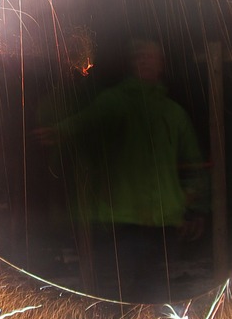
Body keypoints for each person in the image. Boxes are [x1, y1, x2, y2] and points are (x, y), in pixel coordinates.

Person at [36, 37, 207, 302]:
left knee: (155, 293)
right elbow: (87, 121)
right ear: (133, 65)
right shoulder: (115, 102)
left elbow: (194, 162)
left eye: (151, 57)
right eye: (140, 57)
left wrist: (194, 206)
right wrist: (59, 131)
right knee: (122, 294)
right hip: (123, 220)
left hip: (164, 221)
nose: (146, 62)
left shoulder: (173, 114)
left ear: (161, 65)